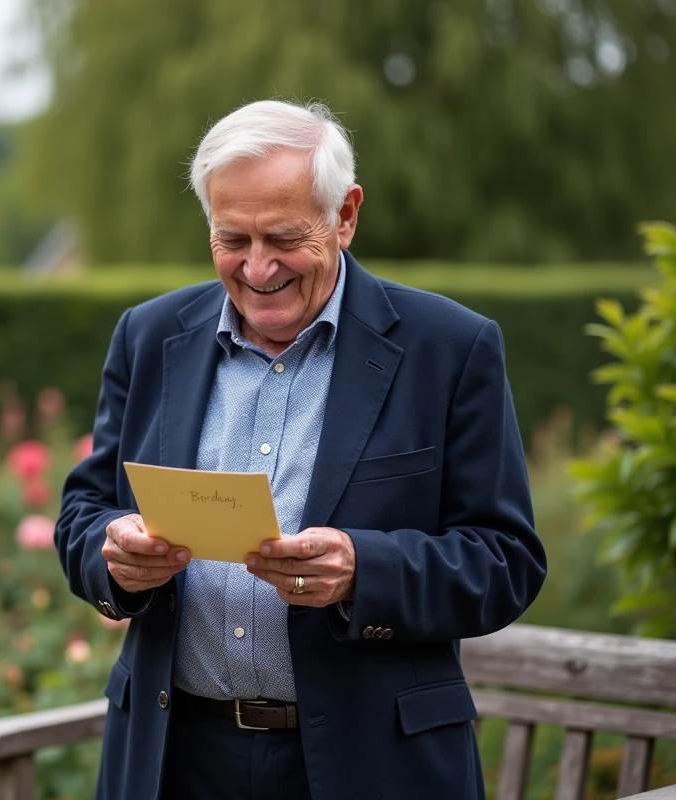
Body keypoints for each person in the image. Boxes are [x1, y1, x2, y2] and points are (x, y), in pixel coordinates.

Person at [55, 99, 546, 800]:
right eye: (232, 238)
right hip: (173, 758)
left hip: (373, 765)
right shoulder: (149, 335)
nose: (258, 268)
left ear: (345, 215)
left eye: (284, 237)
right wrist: (114, 557)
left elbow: (506, 561)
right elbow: (84, 510)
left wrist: (363, 570)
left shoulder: (449, 347)